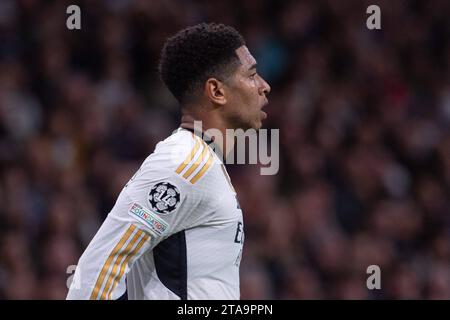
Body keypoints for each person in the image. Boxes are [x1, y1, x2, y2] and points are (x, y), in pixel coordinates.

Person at [66, 22, 270, 300]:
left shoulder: (202, 163)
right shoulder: (186, 164)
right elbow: (96, 273)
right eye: (252, 75)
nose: (264, 86)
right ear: (217, 91)